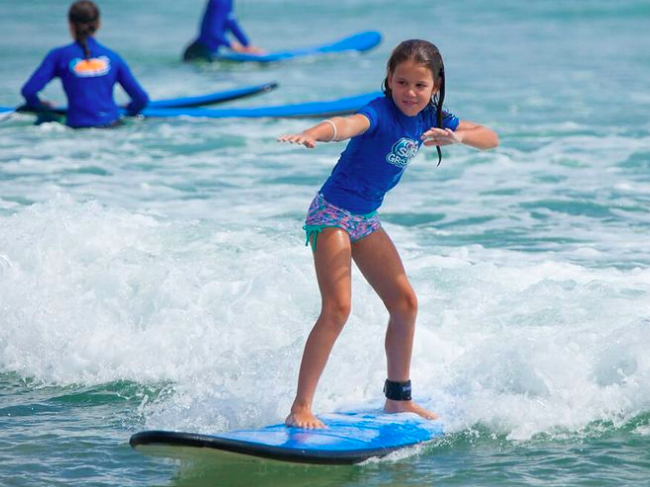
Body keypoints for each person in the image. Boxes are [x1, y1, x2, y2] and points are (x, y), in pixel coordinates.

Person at [278, 39, 499, 429]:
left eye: (419, 85)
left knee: (405, 303)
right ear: (388, 80)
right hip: (332, 213)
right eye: (401, 83)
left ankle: (398, 400)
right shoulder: (379, 112)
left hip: (365, 219)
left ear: (434, 86)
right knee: (337, 308)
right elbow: (347, 125)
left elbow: (489, 136)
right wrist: (315, 131)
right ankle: (301, 407)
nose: (409, 93)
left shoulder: (430, 116)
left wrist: (458, 137)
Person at [21, 1, 149, 129]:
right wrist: (130, 109)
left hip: (76, 129)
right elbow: (141, 99)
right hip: (112, 127)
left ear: (70, 24)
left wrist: (38, 105)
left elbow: (29, 91)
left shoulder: (58, 56)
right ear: (98, 24)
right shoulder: (112, 57)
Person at [183, 0, 262, 61]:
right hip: (198, 52)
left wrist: (247, 45)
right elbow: (213, 32)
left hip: (207, 51)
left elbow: (232, 24)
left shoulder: (227, 1)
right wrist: (232, 45)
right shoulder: (219, 1)